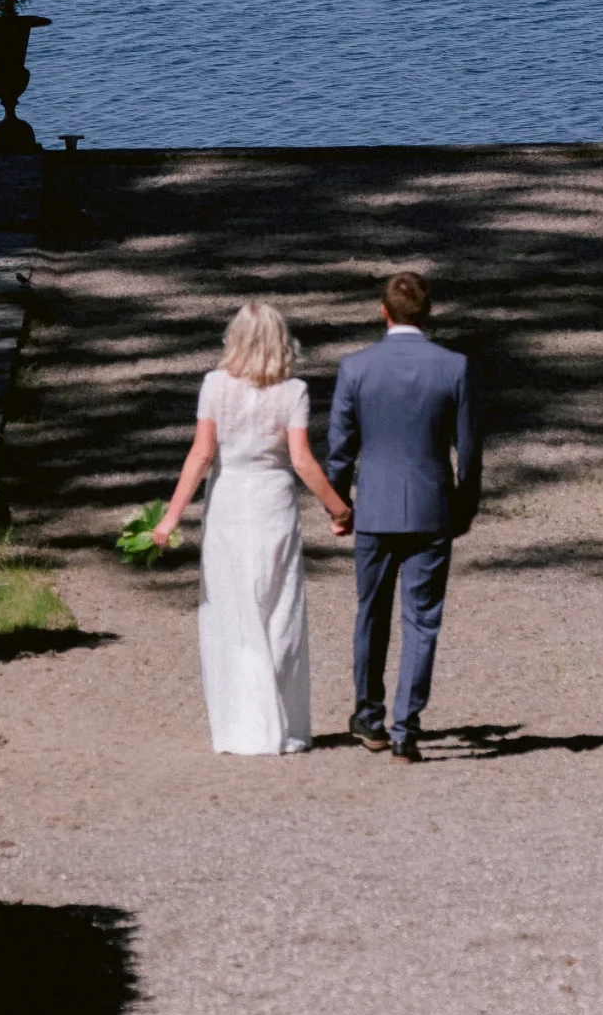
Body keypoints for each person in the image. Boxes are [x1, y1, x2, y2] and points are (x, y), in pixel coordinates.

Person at [153, 300, 352, 756]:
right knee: (277, 606)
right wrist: (338, 508)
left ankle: (241, 724)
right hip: (272, 502)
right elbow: (301, 459)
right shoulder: (294, 391)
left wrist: (172, 515)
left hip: (229, 503)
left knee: (233, 607)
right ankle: (280, 723)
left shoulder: (214, 386)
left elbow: (202, 454)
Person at [327, 271, 481, 763]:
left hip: (374, 507)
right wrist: (465, 505)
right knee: (422, 620)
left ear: (383, 311)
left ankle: (369, 716)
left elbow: (340, 448)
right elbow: (469, 449)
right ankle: (406, 727)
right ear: (428, 312)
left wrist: (337, 503)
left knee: (371, 613)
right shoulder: (453, 367)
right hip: (431, 508)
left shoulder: (356, 367)